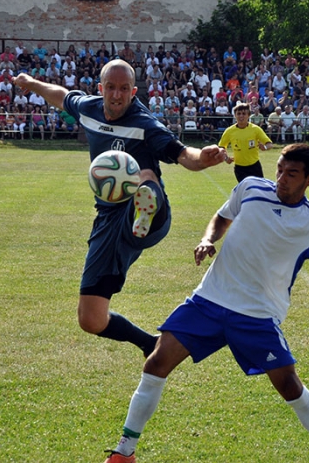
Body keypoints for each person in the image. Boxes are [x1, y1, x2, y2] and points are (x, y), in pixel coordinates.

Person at [103, 143, 309, 463]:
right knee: (157, 363)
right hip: (210, 300)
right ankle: (124, 451)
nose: (282, 178)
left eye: (292, 174)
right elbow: (222, 216)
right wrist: (207, 239)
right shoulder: (250, 188)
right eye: (280, 170)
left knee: (288, 384)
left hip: (257, 316)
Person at [13, 60, 228, 357]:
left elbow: (182, 154)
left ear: (133, 91)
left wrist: (203, 158)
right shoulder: (88, 109)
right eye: (111, 88)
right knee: (91, 318)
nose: (117, 95)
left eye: (124, 89)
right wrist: (32, 83)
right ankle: (148, 343)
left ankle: (145, 202)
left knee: (144, 174)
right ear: (101, 89)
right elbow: (61, 95)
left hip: (152, 217)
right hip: (108, 218)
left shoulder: (144, 125)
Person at [218, 102, 271, 182]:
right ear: (235, 115)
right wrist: (226, 158)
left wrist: (265, 147)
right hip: (240, 168)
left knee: (259, 191)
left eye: (244, 113)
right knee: (246, 192)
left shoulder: (255, 129)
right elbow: (221, 147)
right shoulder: (229, 131)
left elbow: (269, 144)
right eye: (238, 114)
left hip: (255, 166)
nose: (241, 116)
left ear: (248, 115)